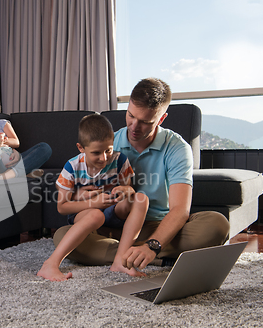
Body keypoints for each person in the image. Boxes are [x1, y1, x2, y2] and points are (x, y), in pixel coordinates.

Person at [53, 78, 230, 274]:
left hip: (158, 226)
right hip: (113, 225)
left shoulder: (177, 148)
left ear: (161, 119)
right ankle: (144, 256)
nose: (134, 127)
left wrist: (153, 244)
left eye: (145, 122)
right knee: (62, 236)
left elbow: (180, 211)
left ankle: (137, 253)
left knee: (217, 225)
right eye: (130, 116)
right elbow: (76, 197)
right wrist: (81, 196)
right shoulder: (108, 144)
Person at [37, 114, 149, 281]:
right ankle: (50, 264)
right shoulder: (72, 167)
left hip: (114, 210)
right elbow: (62, 207)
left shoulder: (120, 160)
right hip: (85, 213)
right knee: (95, 214)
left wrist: (126, 190)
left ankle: (120, 260)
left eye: (108, 150)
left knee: (141, 198)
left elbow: (129, 187)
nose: (104, 158)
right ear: (81, 148)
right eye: (96, 153)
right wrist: (93, 202)